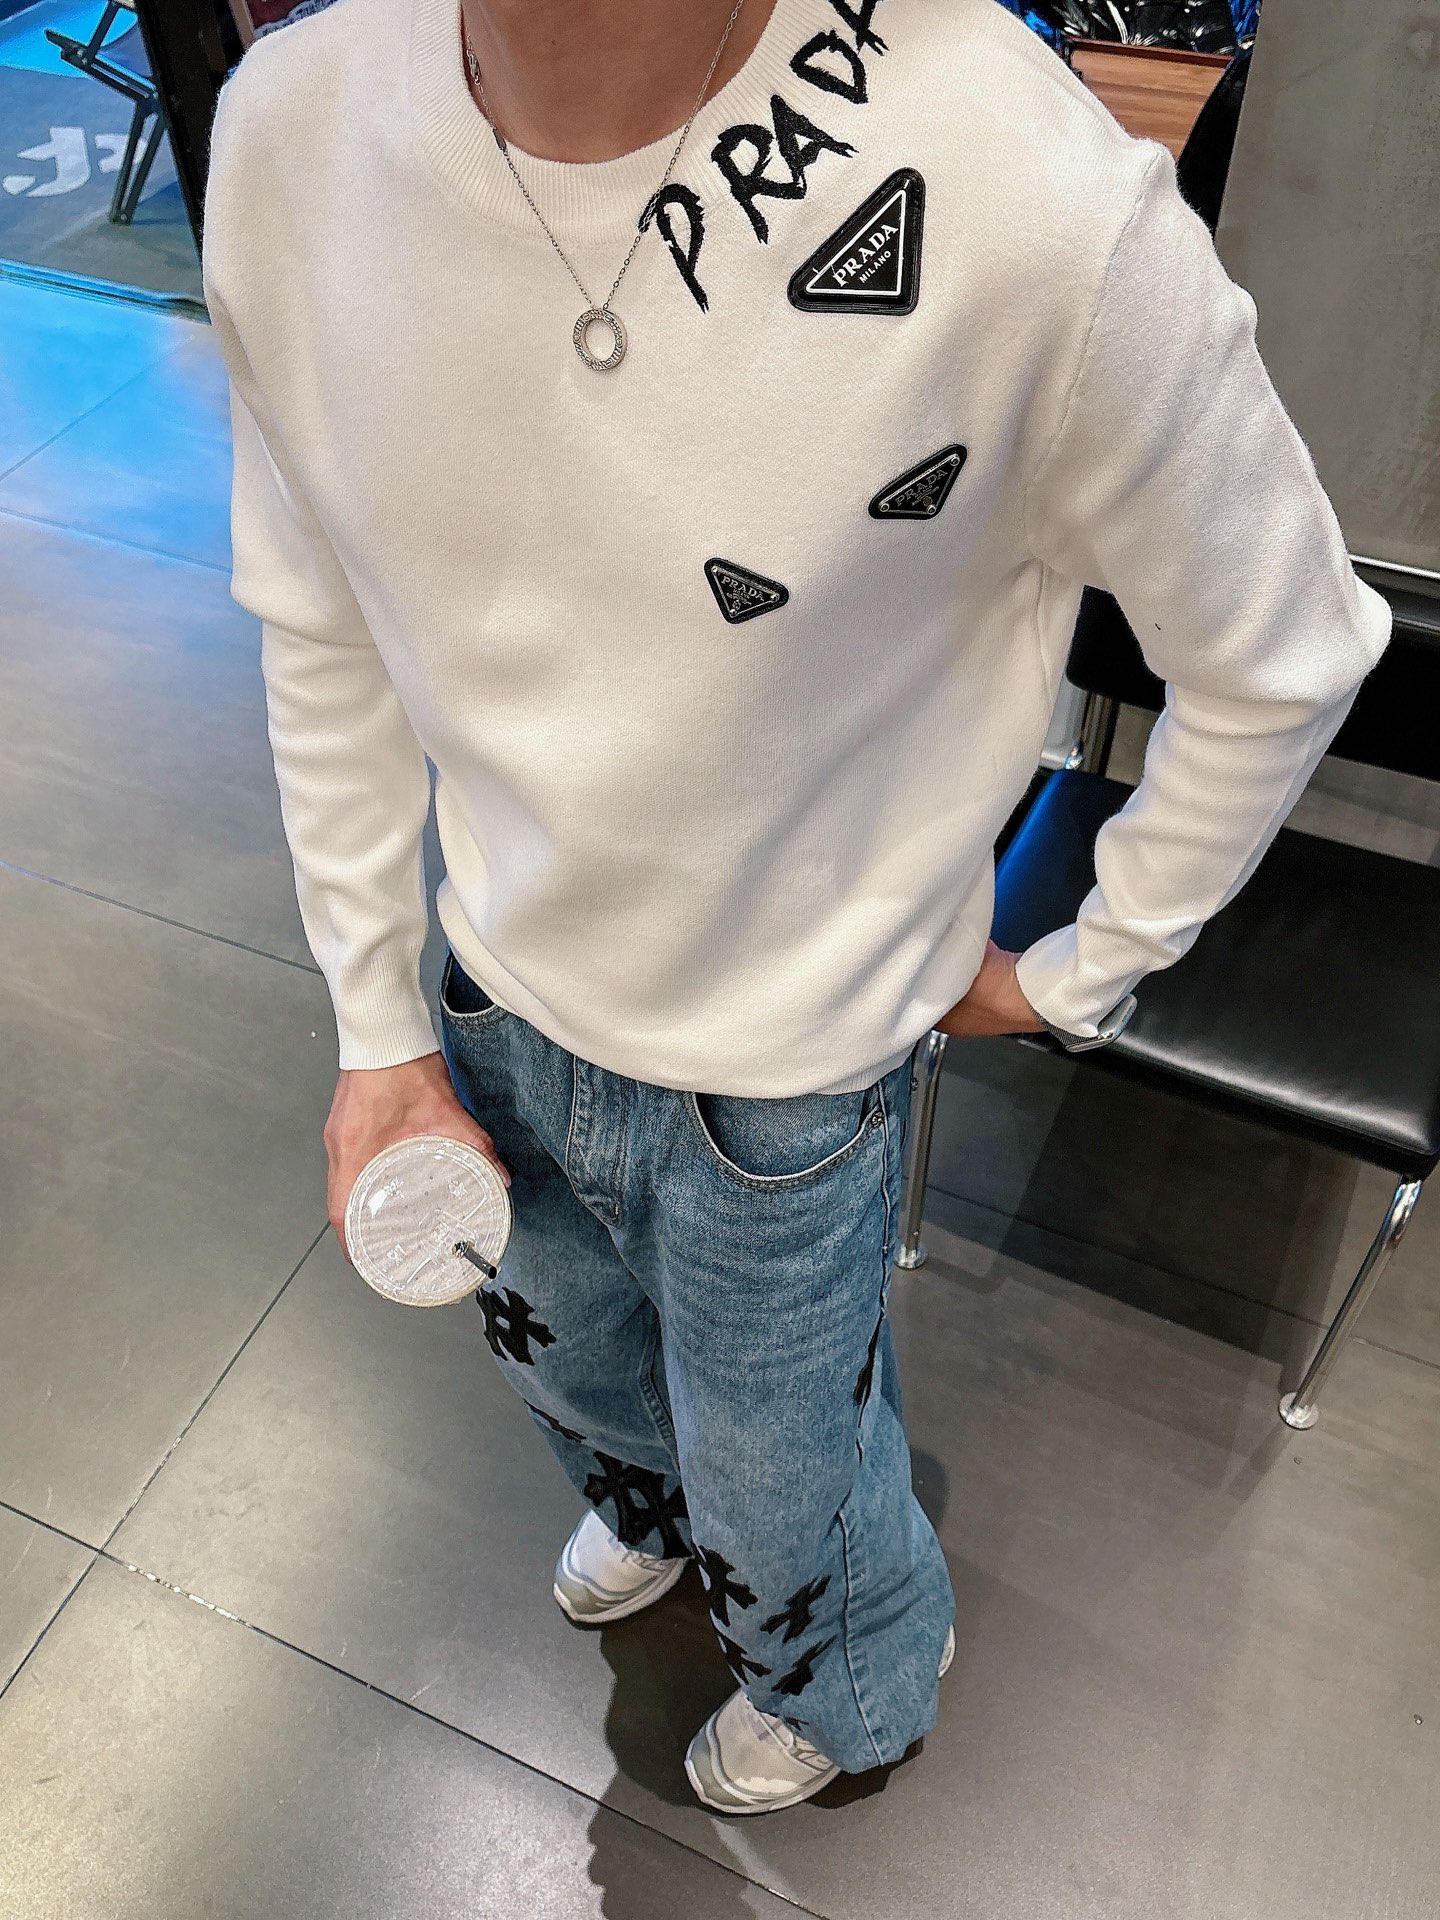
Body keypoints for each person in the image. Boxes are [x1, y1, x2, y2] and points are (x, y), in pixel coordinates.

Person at [201, 0, 1391, 1814]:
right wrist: (376, 1024)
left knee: (791, 1480)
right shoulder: (294, 124)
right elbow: (323, 615)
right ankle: (656, 1509)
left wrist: (1084, 966)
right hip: (494, 990)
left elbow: (1284, 643)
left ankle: (855, 1682)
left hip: (795, 1083)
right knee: (573, 1370)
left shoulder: (1020, 181)